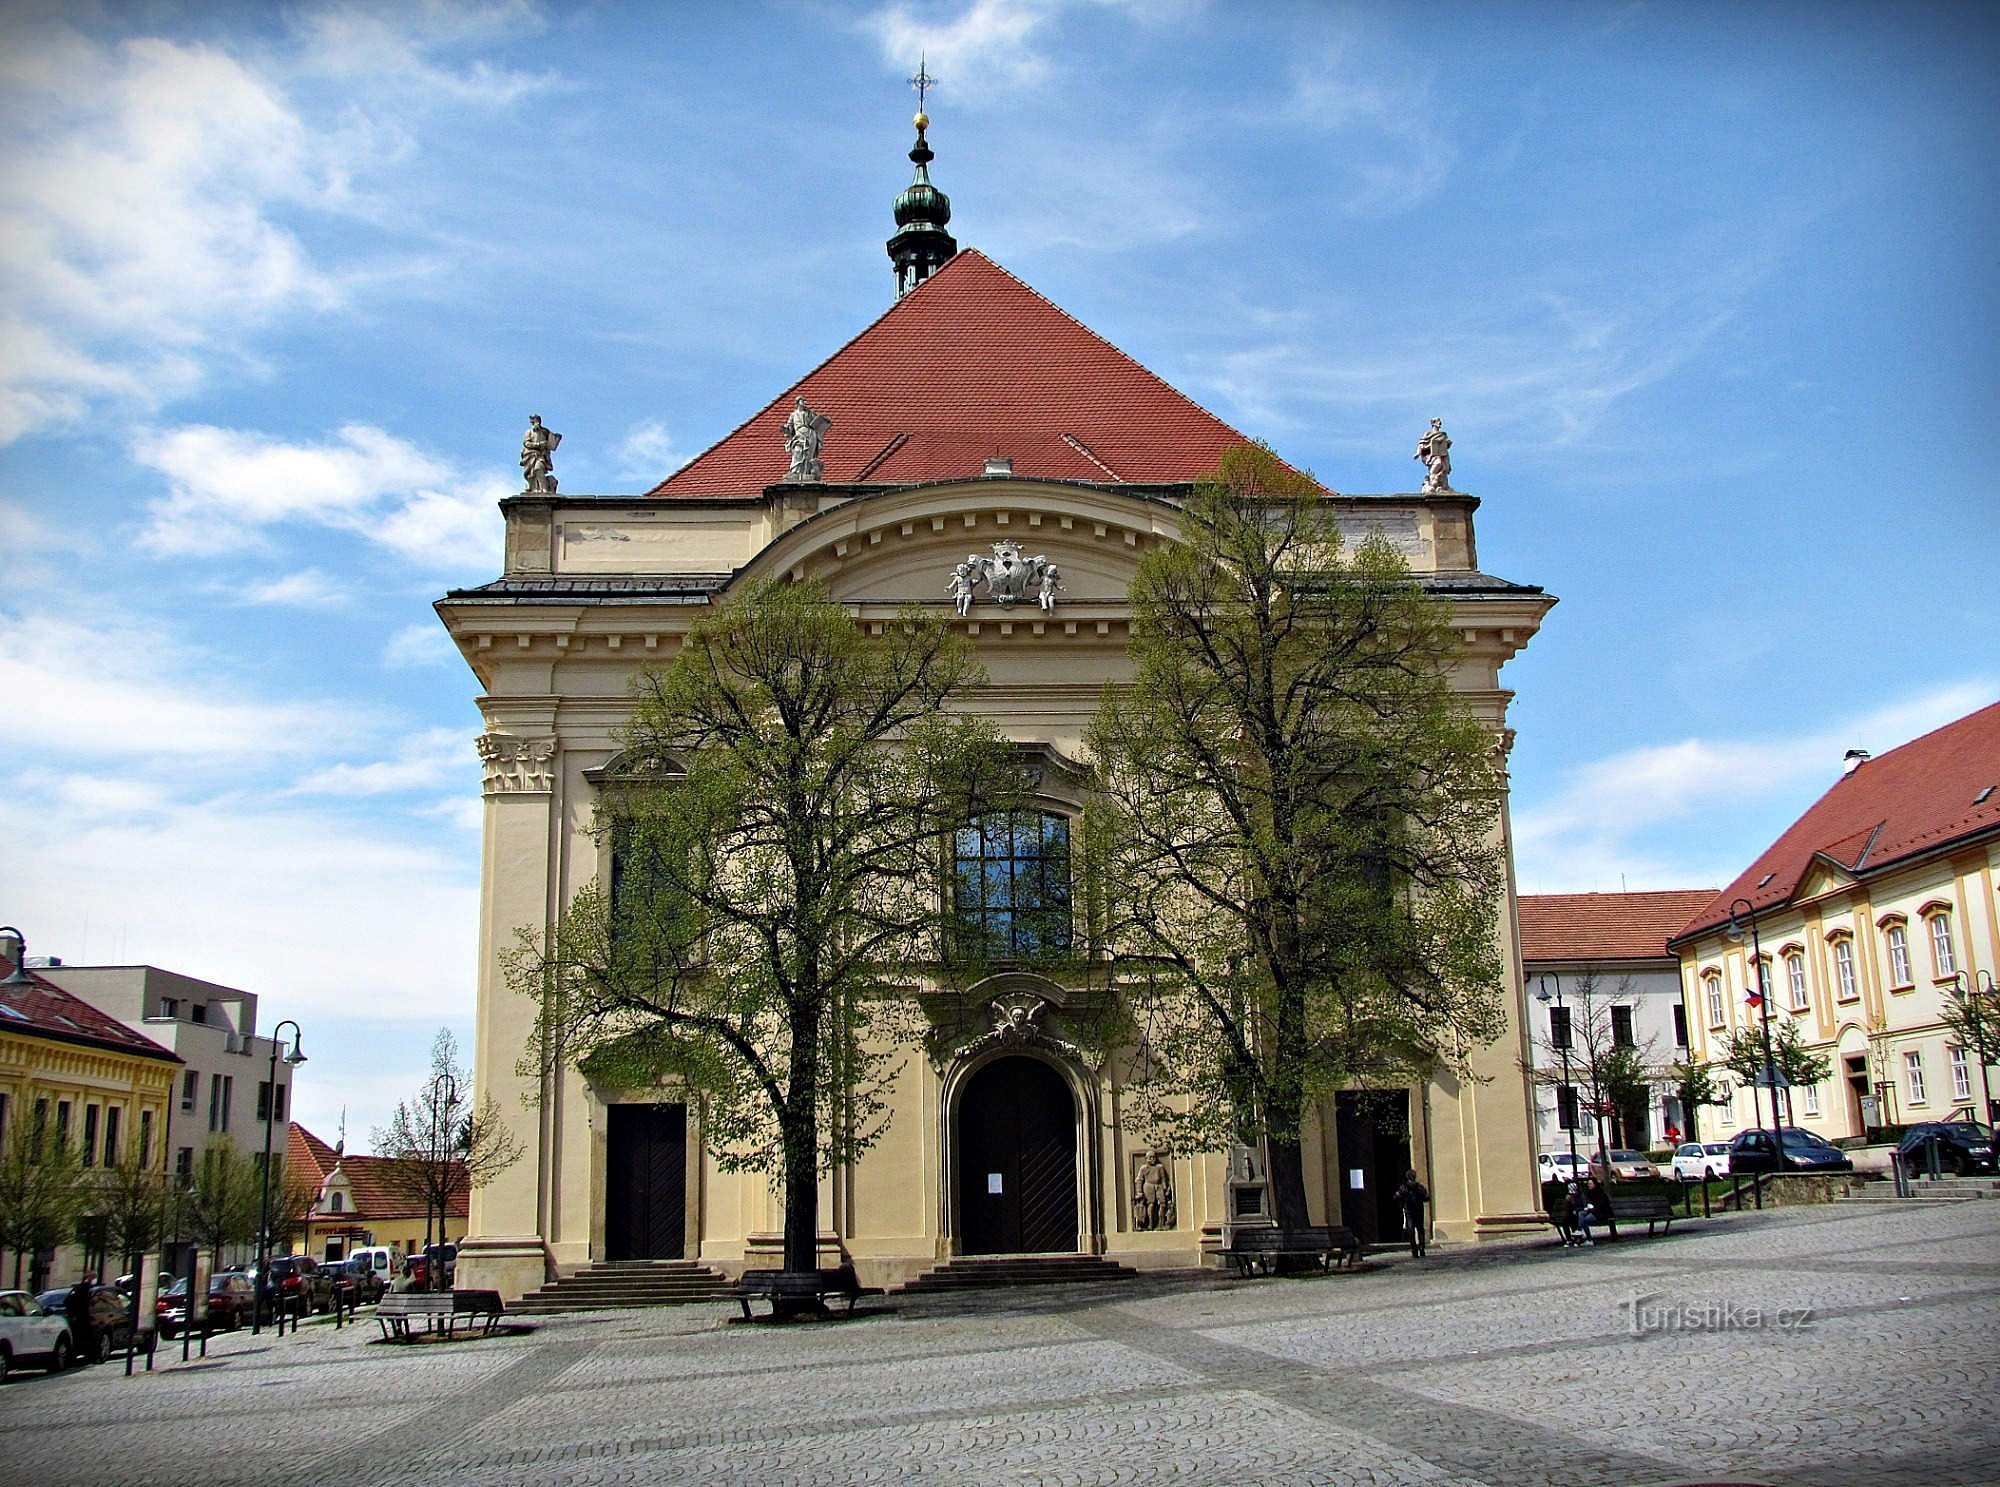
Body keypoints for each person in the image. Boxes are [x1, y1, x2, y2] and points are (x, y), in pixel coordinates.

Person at [1393, 1168, 1430, 1258]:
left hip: (1409, 1210)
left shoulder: (1404, 1187)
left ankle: (1414, 1250)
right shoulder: (1419, 1187)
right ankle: (1422, 1249)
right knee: (1420, 1229)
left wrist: (1402, 1198)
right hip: (1419, 1210)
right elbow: (1426, 1197)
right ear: (1414, 1177)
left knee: (1411, 1230)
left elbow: (1396, 1197)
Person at [65, 1278, 99, 1364]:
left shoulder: (78, 1290)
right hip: (82, 1318)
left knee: (80, 1338)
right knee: (88, 1338)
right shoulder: (84, 1291)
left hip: (79, 1318)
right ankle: (92, 1357)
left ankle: (78, 1357)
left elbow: (67, 1302)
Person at [1541, 1175, 1572, 1246]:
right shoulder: (1562, 1189)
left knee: (1565, 1221)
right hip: (1561, 1213)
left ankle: (1570, 1238)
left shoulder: (1547, 1188)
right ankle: (1570, 1237)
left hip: (1557, 1212)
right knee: (1566, 1221)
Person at [1565, 1180, 1594, 1246]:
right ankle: (1569, 1239)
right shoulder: (1570, 1197)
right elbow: (1568, 1208)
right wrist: (1568, 1201)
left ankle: (1578, 1236)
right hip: (1573, 1214)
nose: (1573, 1194)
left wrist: (1576, 1210)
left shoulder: (1581, 1196)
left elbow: (1584, 1207)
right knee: (1566, 1220)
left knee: (1579, 1217)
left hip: (1581, 1212)